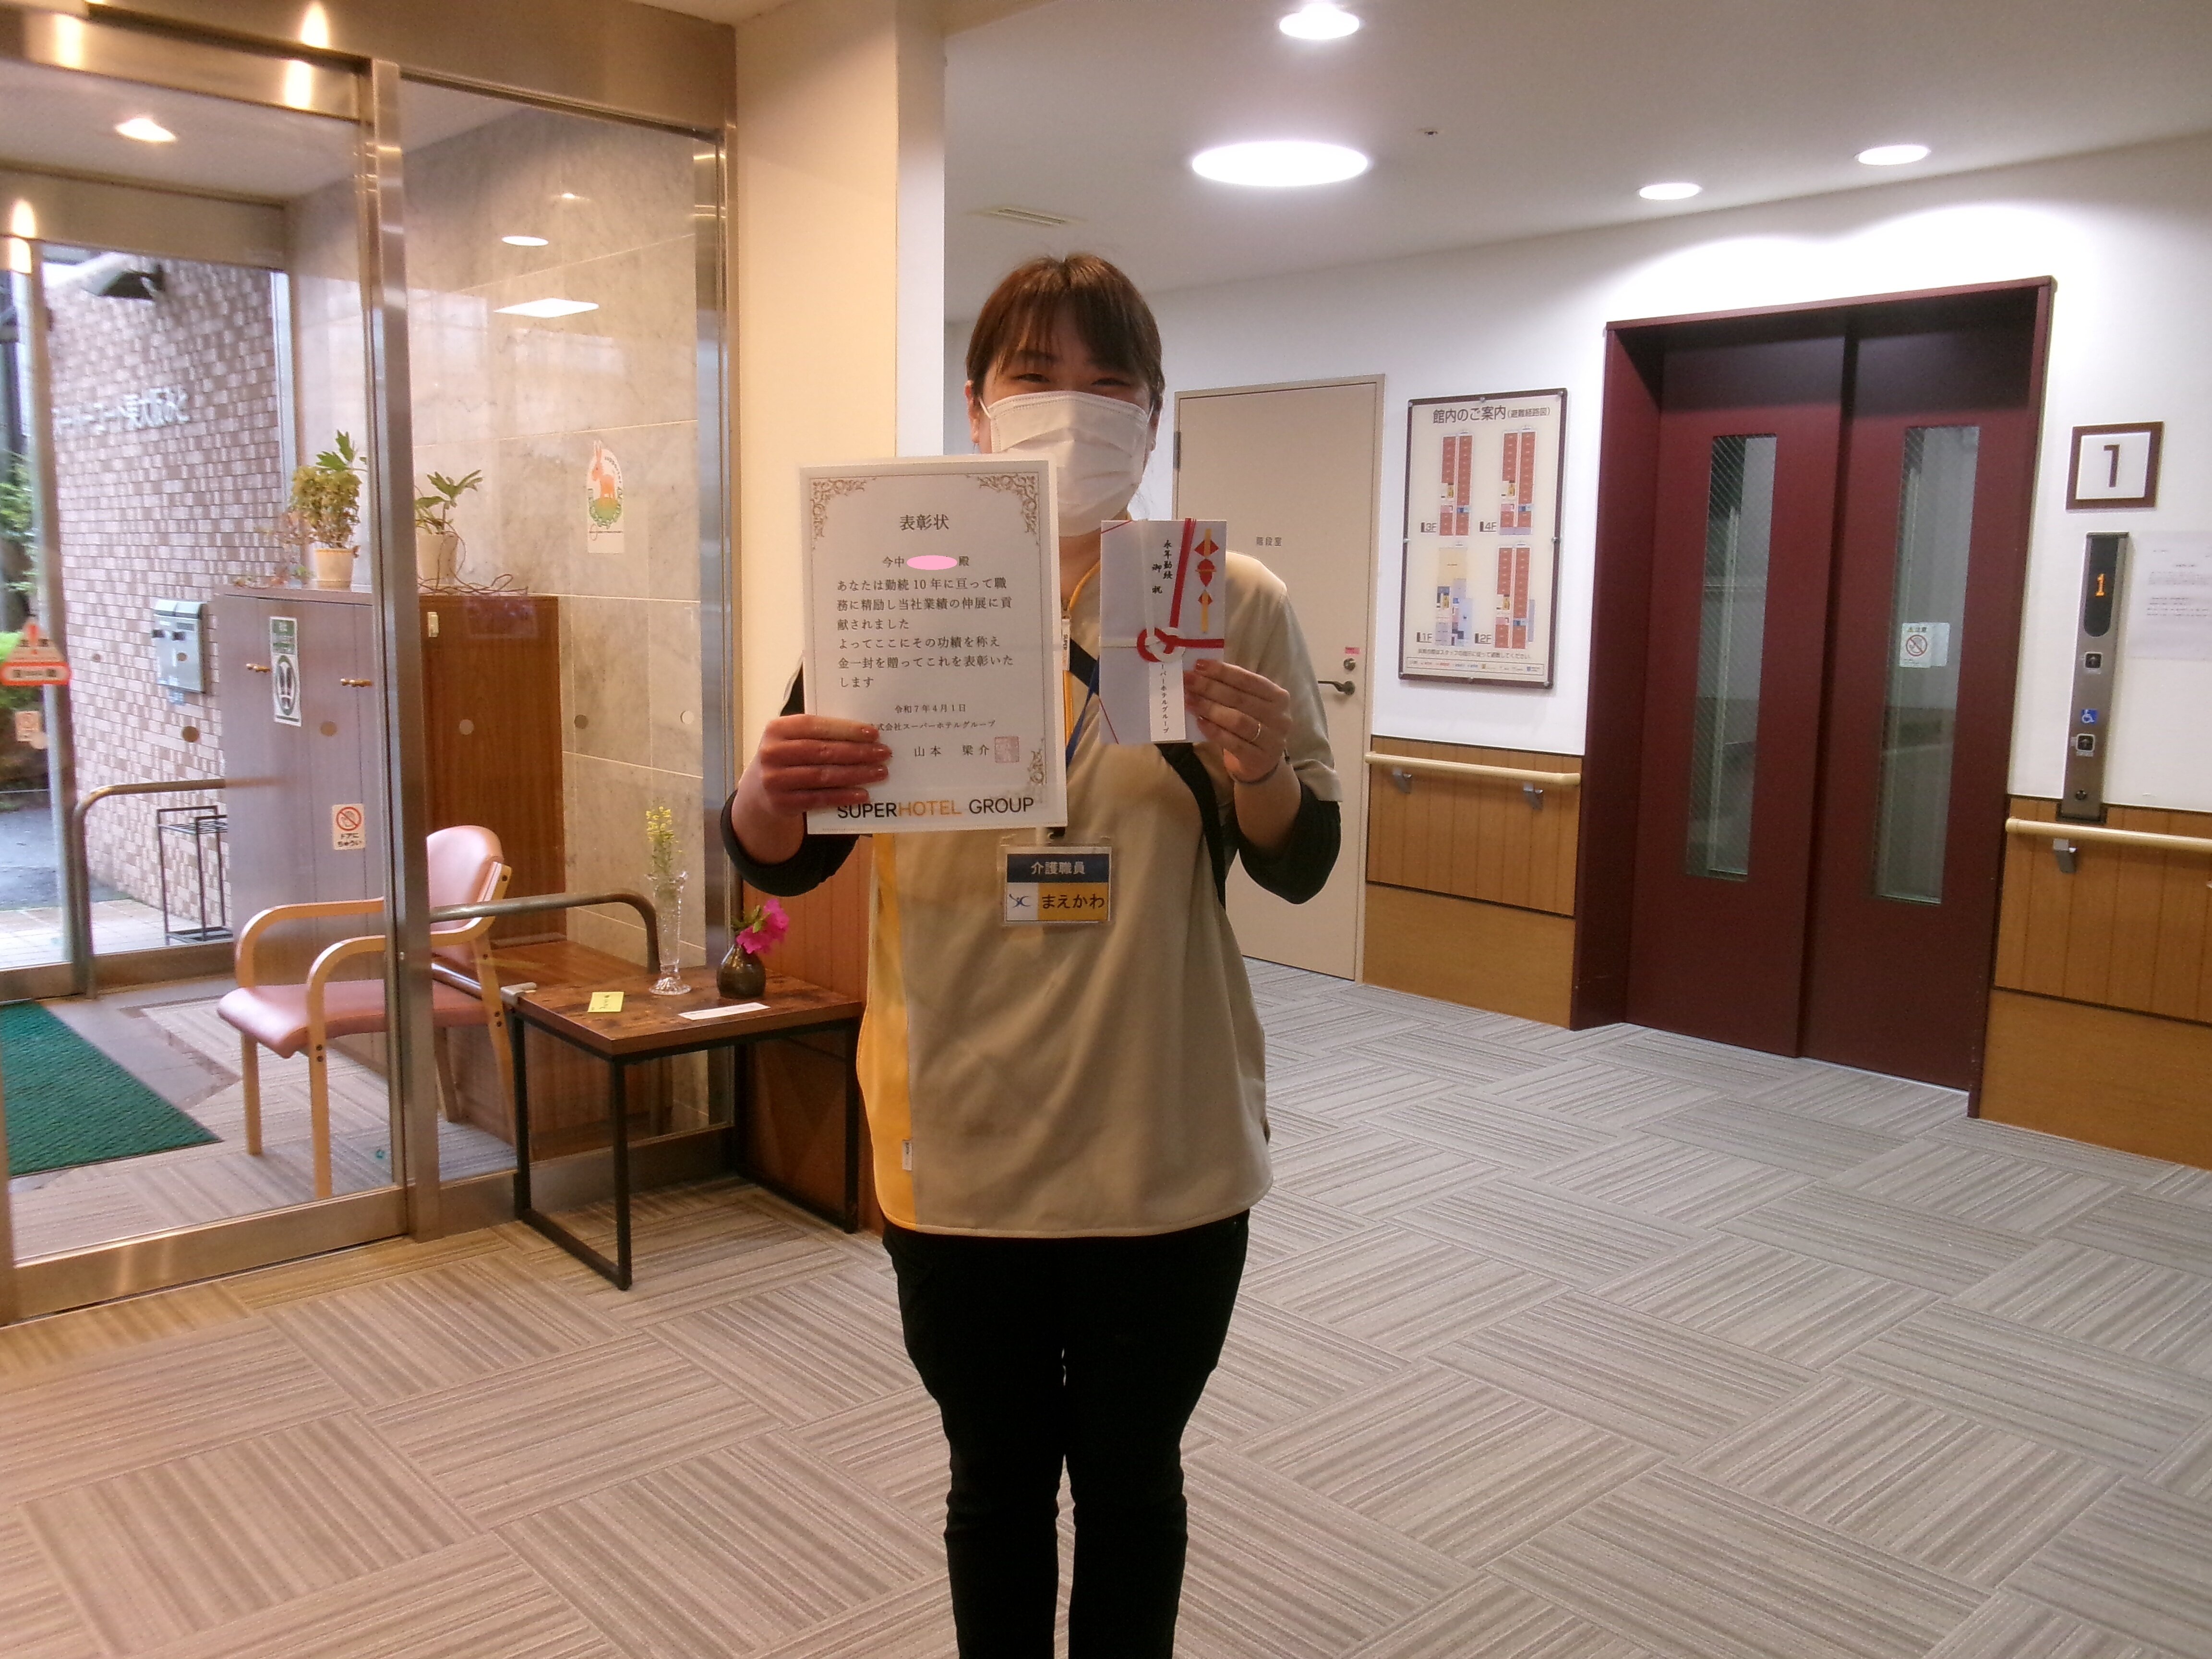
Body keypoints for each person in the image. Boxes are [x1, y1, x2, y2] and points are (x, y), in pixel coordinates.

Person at [725, 253, 1339, 1658]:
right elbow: (790, 852)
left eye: (1112, 384)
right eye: (1037, 376)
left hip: (1163, 1137)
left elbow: (1300, 861)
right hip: (962, 1131)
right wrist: (762, 791)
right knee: (994, 1485)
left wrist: (1257, 769)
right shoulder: (901, 578)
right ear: (978, 407)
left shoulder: (1218, 597)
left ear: (1154, 416)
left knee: (1132, 1485)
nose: (1076, 408)